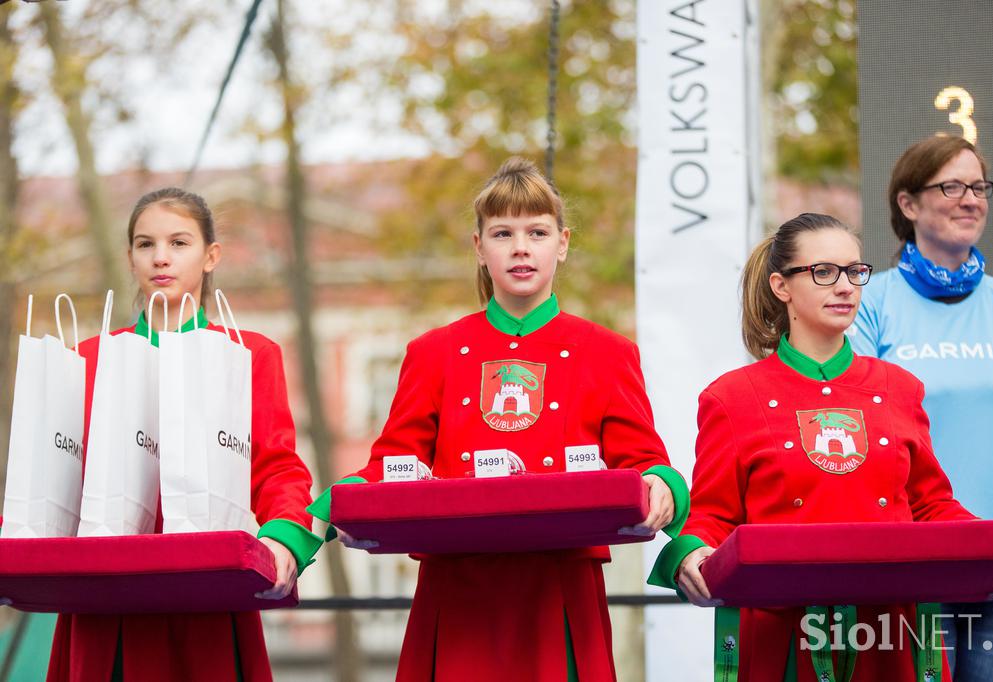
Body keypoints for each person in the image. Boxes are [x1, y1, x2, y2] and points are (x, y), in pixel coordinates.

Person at [308, 157, 689, 682]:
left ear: (563, 242)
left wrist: (665, 490)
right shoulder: (432, 352)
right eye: (502, 233)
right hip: (457, 586)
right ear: (479, 247)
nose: (520, 247)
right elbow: (389, 469)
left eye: (537, 231)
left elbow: (649, 462)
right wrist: (300, 531)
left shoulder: (607, 351)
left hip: (561, 590)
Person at [648, 213, 990, 681]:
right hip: (783, 639)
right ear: (781, 286)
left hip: (891, 634)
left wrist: (989, 549)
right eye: (824, 272)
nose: (846, 286)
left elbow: (931, 504)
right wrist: (688, 553)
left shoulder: (900, 387)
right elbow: (714, 516)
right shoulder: (730, 398)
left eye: (855, 271)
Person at [46, 187, 322, 682]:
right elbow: (60, 469)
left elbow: (277, 466)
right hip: (106, 600)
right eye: (145, 244)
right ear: (130, 257)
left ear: (210, 255)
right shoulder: (88, 357)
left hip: (209, 593)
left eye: (178, 242)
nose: (160, 258)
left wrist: (283, 541)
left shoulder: (248, 355)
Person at [851, 136, 993, 681]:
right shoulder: (866, 304)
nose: (969, 199)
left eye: (978, 187)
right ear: (908, 204)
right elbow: (859, 426)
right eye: (951, 186)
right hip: (911, 563)